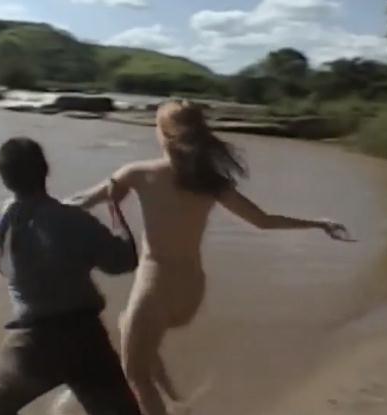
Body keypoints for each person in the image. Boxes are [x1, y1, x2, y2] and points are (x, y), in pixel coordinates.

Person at [67, 100, 353, 415]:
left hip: (155, 286)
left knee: (135, 373)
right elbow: (264, 220)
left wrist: (36, 206)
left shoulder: (138, 173)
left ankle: (166, 407)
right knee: (129, 328)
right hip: (191, 290)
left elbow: (82, 201)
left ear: (164, 134)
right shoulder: (211, 182)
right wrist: (318, 223)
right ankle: (175, 400)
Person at [0, 137, 142, 415]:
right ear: (46, 170)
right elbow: (124, 261)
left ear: (3, 179)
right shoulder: (73, 219)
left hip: (29, 343)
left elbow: (0, 263)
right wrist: (115, 211)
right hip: (84, 340)